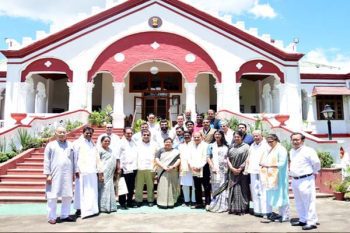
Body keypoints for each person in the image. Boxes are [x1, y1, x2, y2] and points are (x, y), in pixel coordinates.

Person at [44, 126, 76, 224]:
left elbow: (74, 159)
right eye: (60, 132)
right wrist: (48, 174)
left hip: (68, 173)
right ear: (56, 133)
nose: (62, 134)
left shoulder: (71, 145)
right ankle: (51, 217)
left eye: (64, 132)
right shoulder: (50, 145)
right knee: (52, 196)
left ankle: (65, 215)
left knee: (67, 195)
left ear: (66, 133)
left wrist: (74, 172)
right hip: (54, 174)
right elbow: (46, 160)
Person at [289, 132, 321, 230]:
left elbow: (316, 163)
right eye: (293, 140)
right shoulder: (292, 151)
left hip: (306, 179)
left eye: (297, 140)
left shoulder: (308, 151)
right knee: (299, 201)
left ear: (302, 140)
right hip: (295, 179)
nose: (295, 142)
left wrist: (313, 172)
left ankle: (311, 222)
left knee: (309, 201)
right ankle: (303, 219)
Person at [73, 126, 103, 219]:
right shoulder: (77, 143)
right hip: (82, 171)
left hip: (92, 171)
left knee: (92, 191)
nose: (89, 134)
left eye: (90, 133)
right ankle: (79, 209)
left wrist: (99, 170)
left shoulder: (92, 143)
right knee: (81, 191)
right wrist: (76, 170)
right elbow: (75, 157)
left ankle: (92, 209)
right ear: (83, 132)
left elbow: (96, 157)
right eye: (87, 133)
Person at [260, 134, 289, 222]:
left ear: (276, 140)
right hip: (273, 177)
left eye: (271, 141)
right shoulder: (272, 149)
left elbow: (282, 163)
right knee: (277, 197)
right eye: (268, 142)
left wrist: (268, 165)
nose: (269, 143)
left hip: (280, 176)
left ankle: (285, 216)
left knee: (282, 196)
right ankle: (280, 215)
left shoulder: (281, 149)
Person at [244, 130, 270, 217]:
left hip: (263, 171)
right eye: (254, 136)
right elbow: (248, 157)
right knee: (255, 191)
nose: (256, 137)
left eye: (257, 136)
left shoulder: (266, 145)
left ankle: (266, 211)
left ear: (262, 136)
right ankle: (257, 210)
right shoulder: (252, 145)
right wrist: (246, 168)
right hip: (253, 171)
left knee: (264, 192)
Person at [227, 131, 250, 215]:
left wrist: (240, 168)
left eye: (238, 137)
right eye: (235, 137)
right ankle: (233, 208)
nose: (236, 138)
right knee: (232, 189)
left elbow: (248, 158)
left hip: (242, 172)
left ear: (242, 137)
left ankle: (243, 208)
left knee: (242, 189)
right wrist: (232, 168)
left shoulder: (246, 147)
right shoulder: (231, 146)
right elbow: (227, 158)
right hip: (232, 171)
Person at [155, 138, 181, 208]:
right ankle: (162, 202)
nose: (168, 143)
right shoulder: (160, 150)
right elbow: (156, 160)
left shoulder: (176, 151)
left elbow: (179, 160)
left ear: (172, 143)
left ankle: (172, 202)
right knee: (163, 186)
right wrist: (164, 167)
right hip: (162, 171)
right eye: (166, 142)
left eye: (169, 142)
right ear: (164, 143)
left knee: (172, 186)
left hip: (173, 171)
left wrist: (173, 167)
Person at [135, 129, 158, 207]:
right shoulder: (137, 144)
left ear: (150, 136)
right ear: (141, 135)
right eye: (144, 135)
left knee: (150, 185)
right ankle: (138, 200)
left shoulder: (154, 144)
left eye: (148, 135)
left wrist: (155, 167)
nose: (146, 136)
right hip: (139, 167)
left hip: (151, 167)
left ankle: (150, 200)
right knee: (139, 185)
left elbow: (157, 156)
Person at [207, 130, 229, 213]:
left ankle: (223, 205)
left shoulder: (227, 146)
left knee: (223, 186)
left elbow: (229, 157)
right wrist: (213, 167)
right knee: (215, 186)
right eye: (216, 134)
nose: (217, 136)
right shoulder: (211, 146)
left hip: (224, 170)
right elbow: (208, 157)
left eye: (219, 134)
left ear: (222, 136)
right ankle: (215, 204)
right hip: (215, 169)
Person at [97, 135, 118, 213]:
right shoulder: (99, 150)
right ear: (101, 142)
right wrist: (100, 173)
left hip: (110, 173)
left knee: (109, 188)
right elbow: (98, 162)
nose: (107, 142)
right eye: (105, 141)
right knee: (103, 189)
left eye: (108, 141)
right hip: (103, 173)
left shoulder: (110, 150)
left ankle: (110, 206)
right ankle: (103, 207)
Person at [118, 127, 138, 209]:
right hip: (124, 168)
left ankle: (130, 201)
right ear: (124, 133)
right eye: (128, 133)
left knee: (131, 186)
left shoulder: (134, 142)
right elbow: (117, 156)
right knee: (123, 185)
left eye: (131, 133)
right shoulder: (120, 142)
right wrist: (118, 168)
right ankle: (122, 202)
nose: (129, 135)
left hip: (133, 167)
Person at [189, 132, 209, 209]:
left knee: (206, 186)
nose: (196, 139)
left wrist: (199, 166)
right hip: (194, 168)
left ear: (202, 137)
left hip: (204, 168)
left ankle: (208, 203)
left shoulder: (206, 145)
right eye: (195, 137)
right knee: (197, 187)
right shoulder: (191, 145)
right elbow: (189, 157)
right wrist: (192, 166)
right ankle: (199, 203)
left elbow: (206, 158)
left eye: (198, 137)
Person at [179, 131, 196, 206]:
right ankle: (186, 201)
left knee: (194, 185)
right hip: (183, 167)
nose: (186, 136)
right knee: (184, 185)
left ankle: (193, 200)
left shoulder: (195, 144)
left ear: (191, 136)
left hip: (193, 167)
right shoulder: (180, 146)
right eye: (185, 135)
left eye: (188, 135)